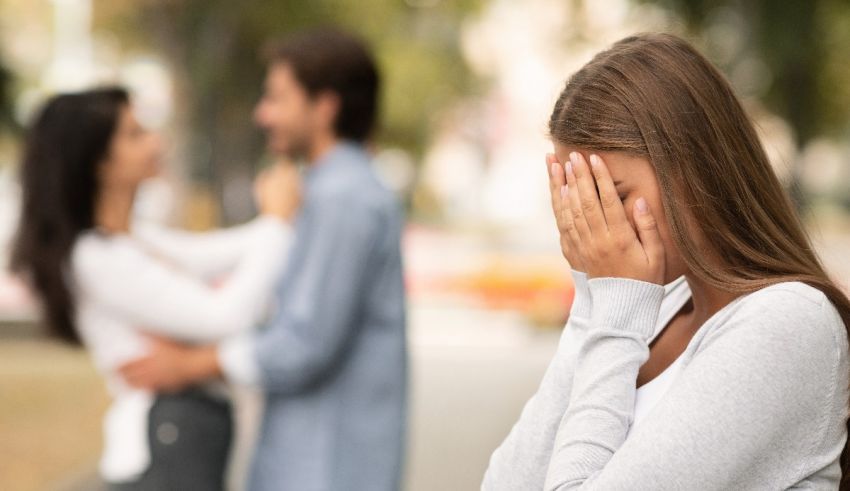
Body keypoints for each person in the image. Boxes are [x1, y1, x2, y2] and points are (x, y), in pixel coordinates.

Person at [482, 33, 850, 490]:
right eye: (578, 199)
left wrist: (614, 309)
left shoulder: (788, 322)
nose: (593, 224)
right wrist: (593, 300)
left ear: (695, 170)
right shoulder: (648, 310)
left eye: (613, 196)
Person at [119, 28, 408, 491]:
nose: (262, 114)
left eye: (277, 98)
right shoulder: (327, 191)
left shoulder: (343, 199)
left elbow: (304, 343)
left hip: (326, 468)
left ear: (325, 106)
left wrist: (192, 365)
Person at [10, 87, 301, 490]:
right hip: (164, 442)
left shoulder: (132, 241)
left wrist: (279, 215)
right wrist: (278, 222)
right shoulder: (95, 257)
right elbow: (223, 316)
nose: (156, 142)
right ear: (98, 161)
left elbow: (222, 252)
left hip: (179, 436)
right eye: (135, 134)